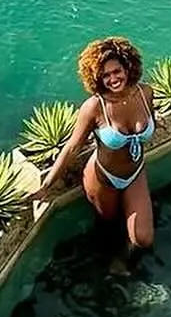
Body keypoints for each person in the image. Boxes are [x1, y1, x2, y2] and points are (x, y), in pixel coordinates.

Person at [40, 35, 156, 256]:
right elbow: (73, 147)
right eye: (105, 75)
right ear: (96, 78)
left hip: (135, 172)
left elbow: (152, 119)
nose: (113, 79)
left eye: (116, 71)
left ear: (128, 67)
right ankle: (114, 261)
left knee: (144, 238)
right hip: (104, 177)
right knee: (108, 226)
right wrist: (47, 185)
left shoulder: (146, 93)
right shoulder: (94, 107)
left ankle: (129, 256)